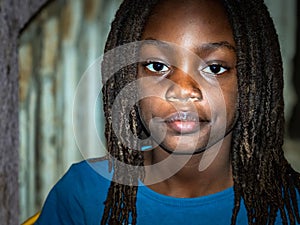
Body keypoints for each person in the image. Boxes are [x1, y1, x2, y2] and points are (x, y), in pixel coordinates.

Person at [35, 0, 300, 224]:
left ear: (253, 81)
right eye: (157, 66)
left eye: (215, 68)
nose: (182, 90)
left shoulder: (292, 207)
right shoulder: (82, 194)